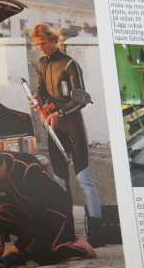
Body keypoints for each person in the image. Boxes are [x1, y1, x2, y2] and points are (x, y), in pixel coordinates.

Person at [31, 23, 106, 247]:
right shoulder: (41, 63)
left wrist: (59, 113)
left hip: (73, 128)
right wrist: (40, 103)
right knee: (60, 181)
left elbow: (81, 99)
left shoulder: (70, 64)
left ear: (54, 40)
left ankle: (97, 234)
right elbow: (41, 91)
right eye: (38, 44)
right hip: (54, 129)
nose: (41, 47)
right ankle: (66, 231)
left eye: (44, 43)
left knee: (84, 180)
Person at [0, 145, 96, 268]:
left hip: (54, 213)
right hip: (28, 210)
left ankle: (77, 247)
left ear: (0, 171)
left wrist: (19, 246)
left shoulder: (28, 171)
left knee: (42, 256)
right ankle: (34, 245)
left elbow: (38, 217)